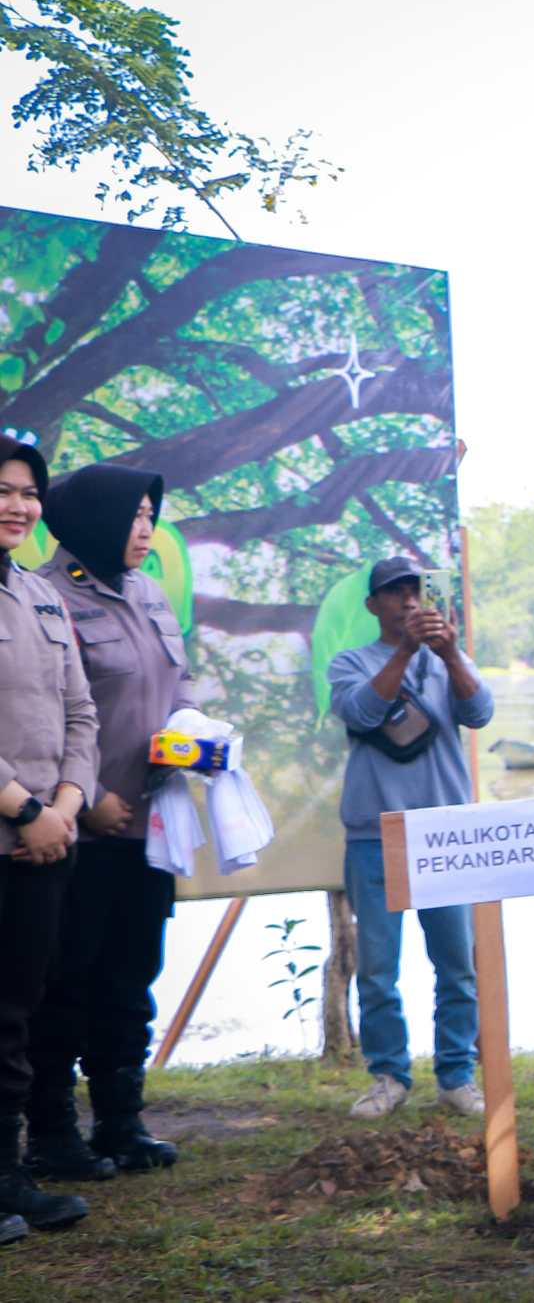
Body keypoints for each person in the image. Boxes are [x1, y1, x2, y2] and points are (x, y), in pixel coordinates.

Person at [24, 465, 193, 1183]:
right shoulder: (44, 597)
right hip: (76, 830)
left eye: (152, 514)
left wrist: (192, 734)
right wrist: (86, 795)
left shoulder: (150, 591)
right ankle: (55, 1134)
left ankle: (122, 1123)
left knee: (132, 974)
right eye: (134, 514)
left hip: (149, 826)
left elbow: (177, 683)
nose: (146, 528)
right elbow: (48, 711)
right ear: (94, 519)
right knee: (67, 982)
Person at [329, 556, 494, 1120]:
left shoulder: (451, 657)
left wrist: (448, 653)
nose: (407, 602)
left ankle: (456, 1075)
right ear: (373, 605)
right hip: (375, 835)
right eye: (394, 593)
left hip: (445, 833)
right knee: (378, 966)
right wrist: (404, 652)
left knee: (457, 965)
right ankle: (388, 1075)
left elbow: (481, 713)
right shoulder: (351, 662)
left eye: (415, 592)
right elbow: (362, 711)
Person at [0, 434, 97, 1244]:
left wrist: (65, 803)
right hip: (13, 827)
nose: (17, 505)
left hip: (45, 837)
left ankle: (10, 1177)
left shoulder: (39, 593)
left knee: (18, 1015)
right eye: (3, 489)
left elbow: (80, 714)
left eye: (28, 493)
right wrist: (24, 808)